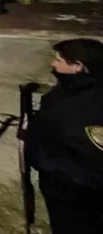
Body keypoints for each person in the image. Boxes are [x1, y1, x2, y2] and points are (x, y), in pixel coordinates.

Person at [24, 38, 103, 233]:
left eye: (59, 60)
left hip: (76, 199)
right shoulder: (71, 87)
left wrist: (45, 162)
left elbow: (92, 169)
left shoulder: (92, 108)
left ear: (78, 66)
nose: (53, 63)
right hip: (58, 190)